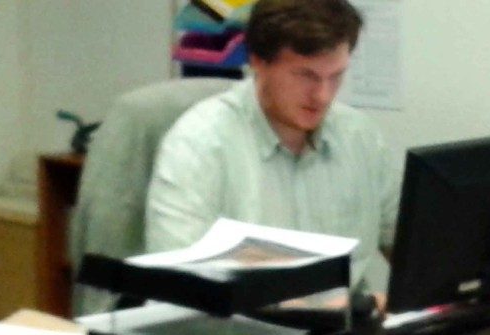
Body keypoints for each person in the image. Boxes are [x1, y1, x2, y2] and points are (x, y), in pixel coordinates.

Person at [145, 0, 401, 293]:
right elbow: (181, 283)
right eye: (306, 76)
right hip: (245, 330)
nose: (322, 95)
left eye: (336, 76)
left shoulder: (360, 137)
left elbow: (407, 246)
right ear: (257, 61)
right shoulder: (199, 144)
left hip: (346, 330)